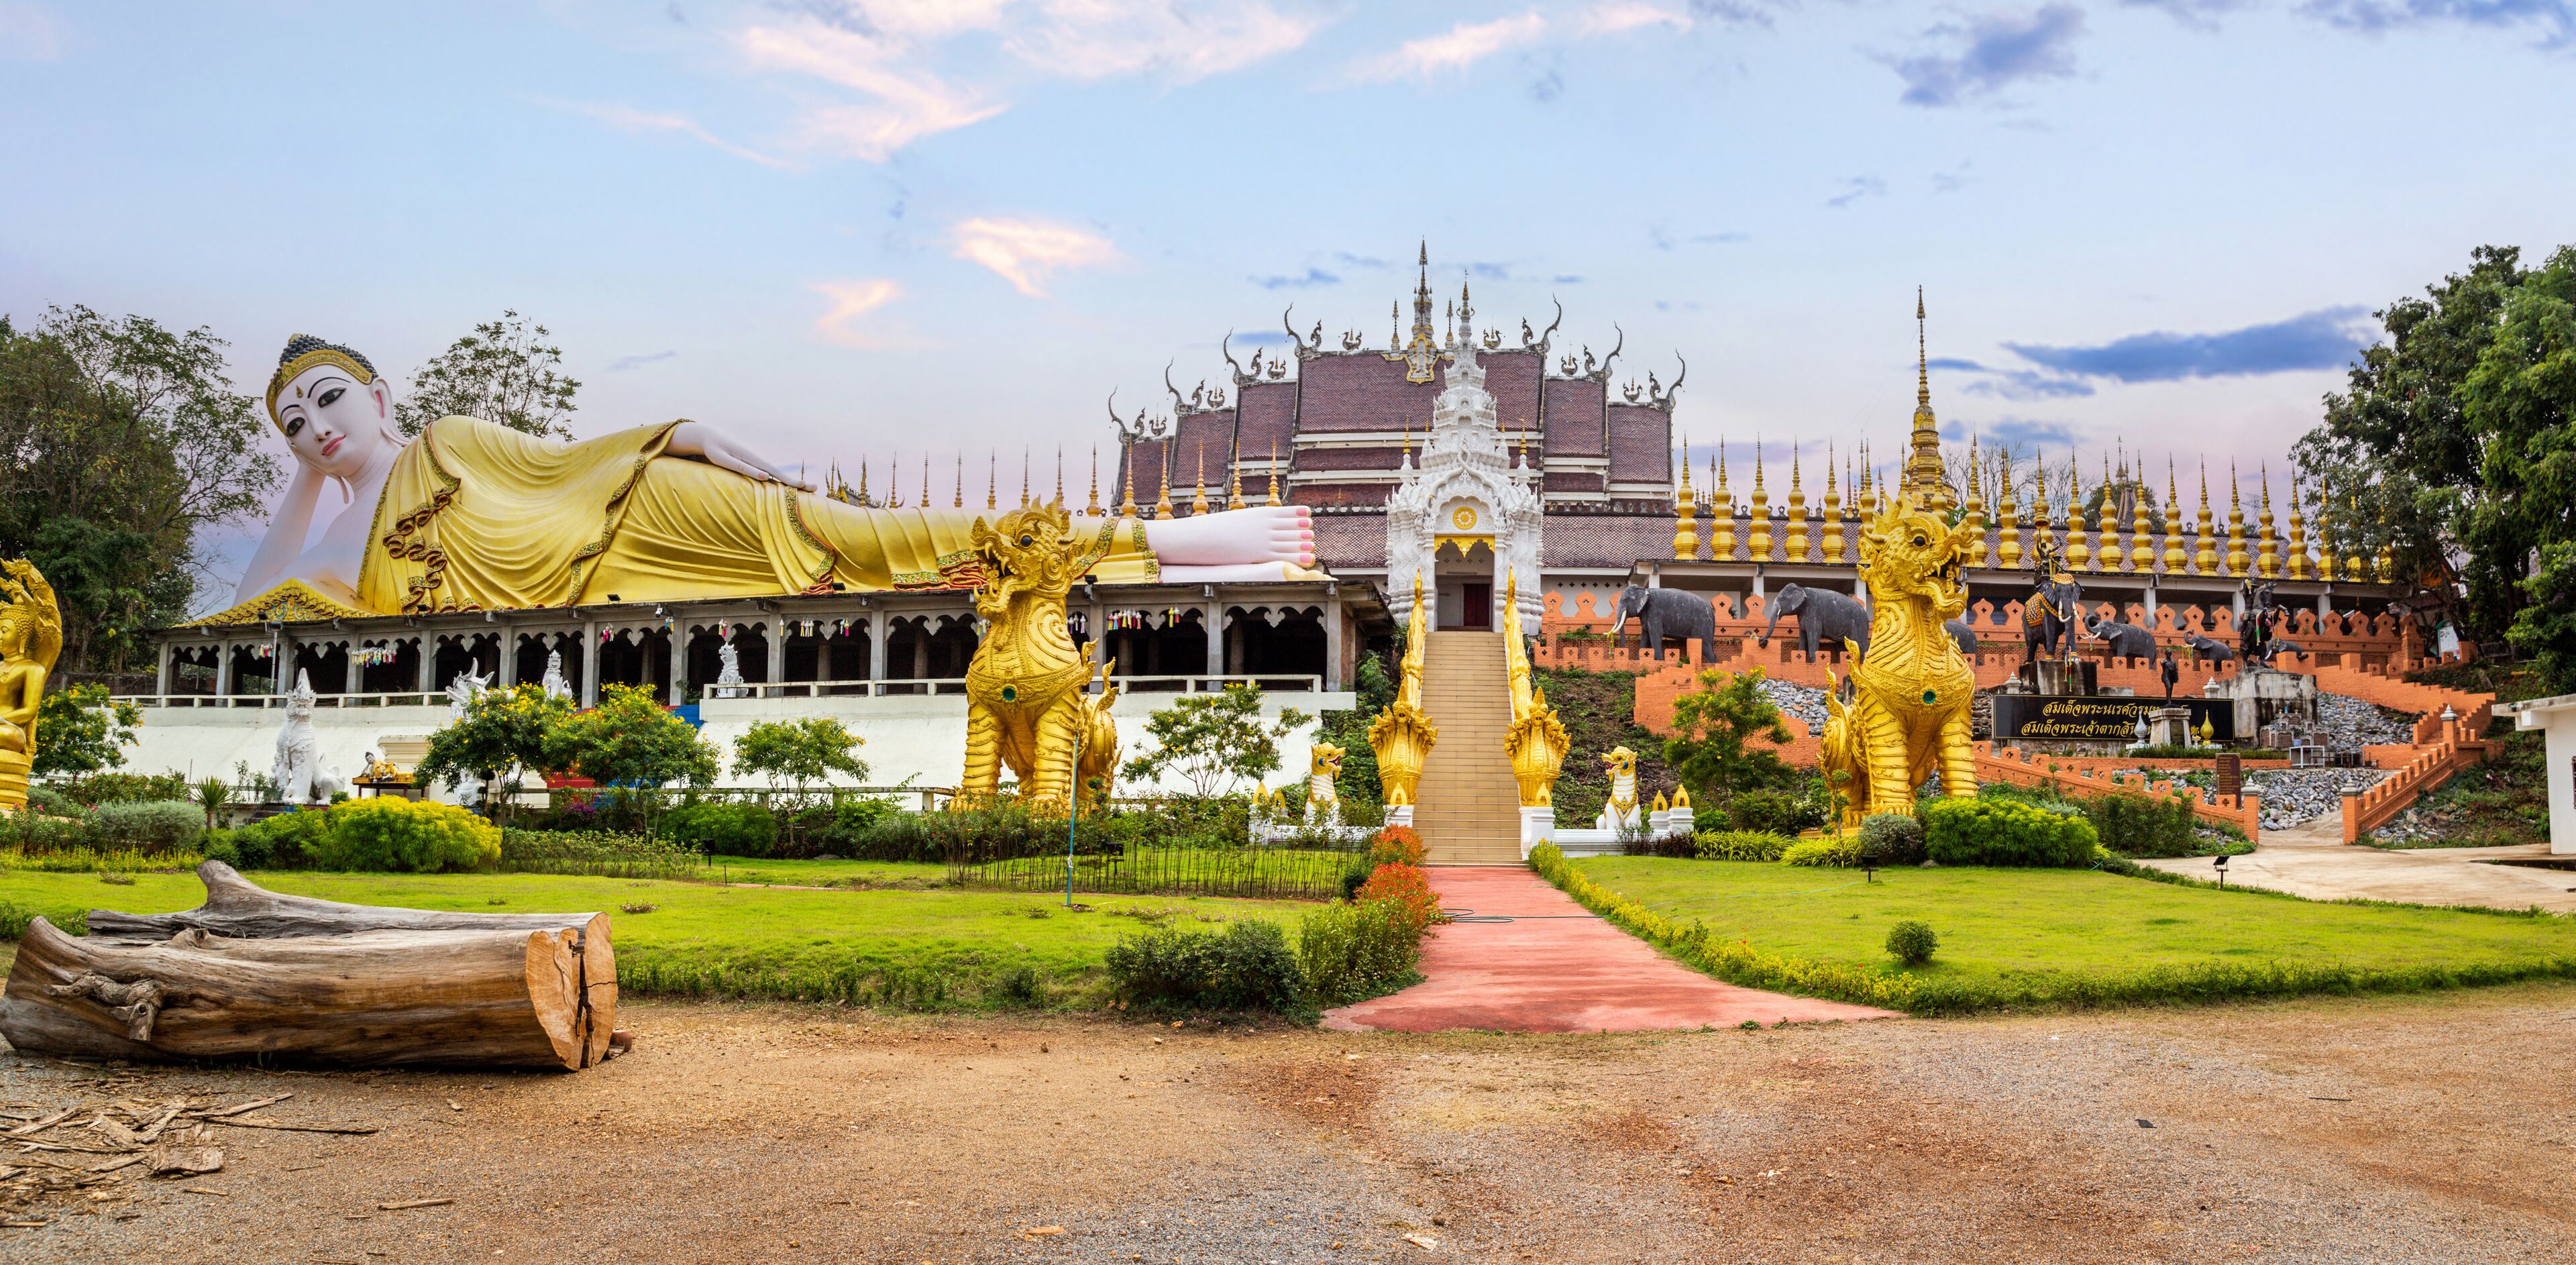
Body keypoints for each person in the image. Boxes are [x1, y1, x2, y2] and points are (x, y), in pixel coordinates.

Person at [231, 335, 1320, 617]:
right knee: (875, 581)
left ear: (379, 399)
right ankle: (1155, 550)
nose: (316, 427)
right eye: (294, 424)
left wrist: (684, 430)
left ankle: (1168, 542)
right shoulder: (333, 545)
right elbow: (242, 611)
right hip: (612, 601)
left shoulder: (448, 441)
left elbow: (573, 465)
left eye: (330, 398)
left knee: (864, 534)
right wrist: (302, 483)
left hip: (646, 508)